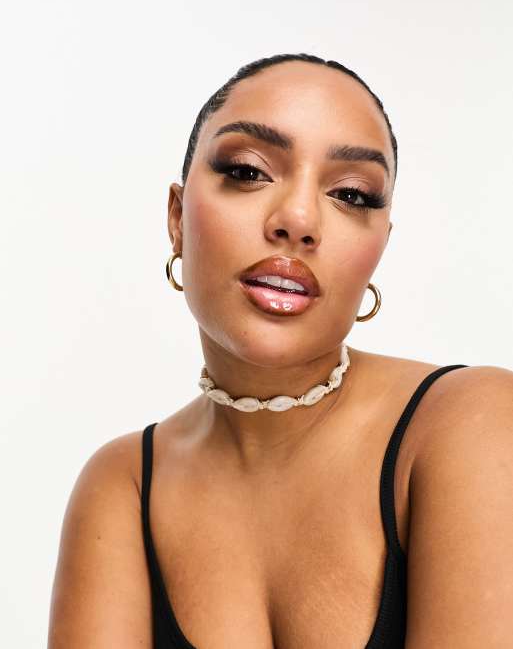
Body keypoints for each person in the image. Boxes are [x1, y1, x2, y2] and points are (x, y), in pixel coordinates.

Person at [48, 53, 513, 648]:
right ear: (177, 219)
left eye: (352, 195)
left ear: (380, 247)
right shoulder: (124, 485)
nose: (298, 219)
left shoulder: (468, 423)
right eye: (248, 171)